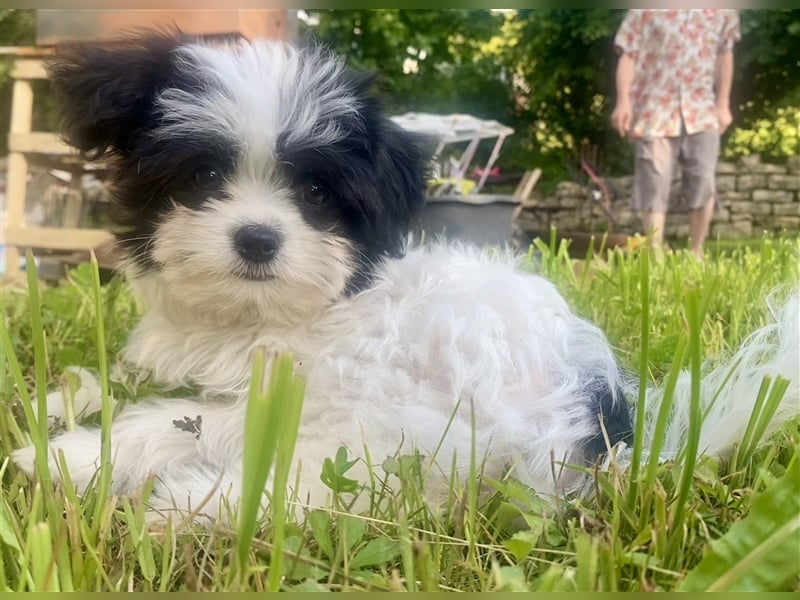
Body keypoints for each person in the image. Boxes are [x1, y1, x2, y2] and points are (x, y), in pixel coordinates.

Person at [611, 9, 741, 257]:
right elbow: (628, 55)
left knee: (703, 180)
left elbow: (725, 55)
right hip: (653, 109)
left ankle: (696, 252)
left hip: (702, 109)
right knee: (653, 182)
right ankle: (655, 254)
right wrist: (623, 102)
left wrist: (723, 104)